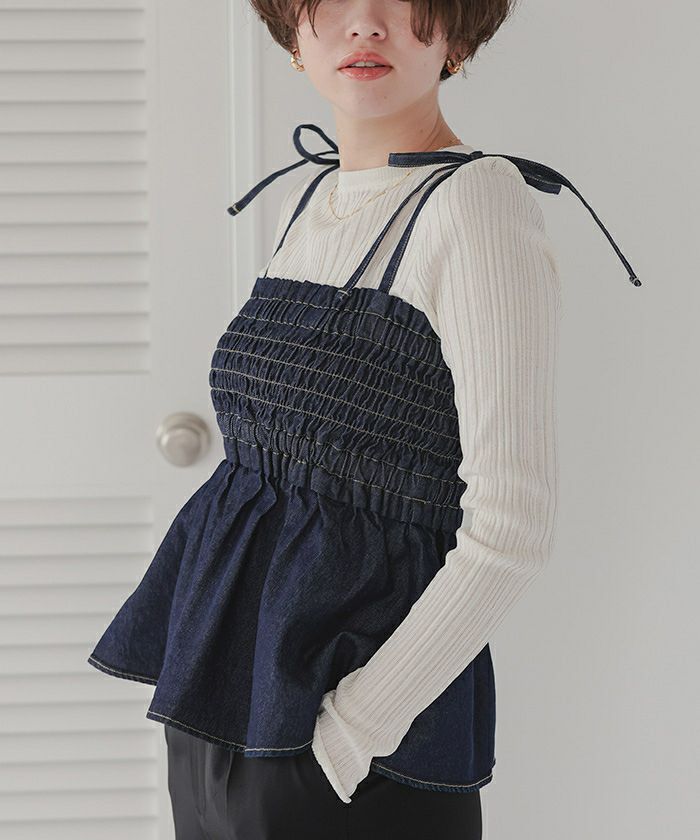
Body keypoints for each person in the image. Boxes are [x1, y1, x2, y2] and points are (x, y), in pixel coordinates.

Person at [87, 1, 639, 837]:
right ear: (292, 29)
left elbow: (512, 527)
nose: (366, 23)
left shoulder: (477, 206)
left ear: (457, 32)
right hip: (221, 700)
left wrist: (347, 738)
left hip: (347, 746)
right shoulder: (312, 199)